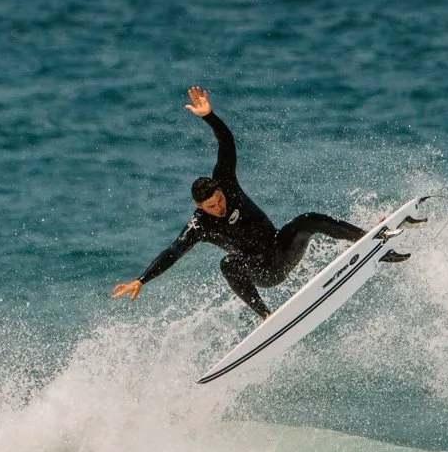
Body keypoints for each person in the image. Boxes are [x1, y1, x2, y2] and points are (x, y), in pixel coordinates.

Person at [111, 86, 404, 319]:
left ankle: (370, 241)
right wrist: (142, 279)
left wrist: (209, 116)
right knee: (228, 263)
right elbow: (172, 251)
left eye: (219, 200)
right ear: (200, 208)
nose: (219, 207)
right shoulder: (199, 225)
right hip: (262, 272)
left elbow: (226, 141)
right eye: (211, 207)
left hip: (281, 248)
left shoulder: (224, 181)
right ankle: (265, 316)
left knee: (307, 219)